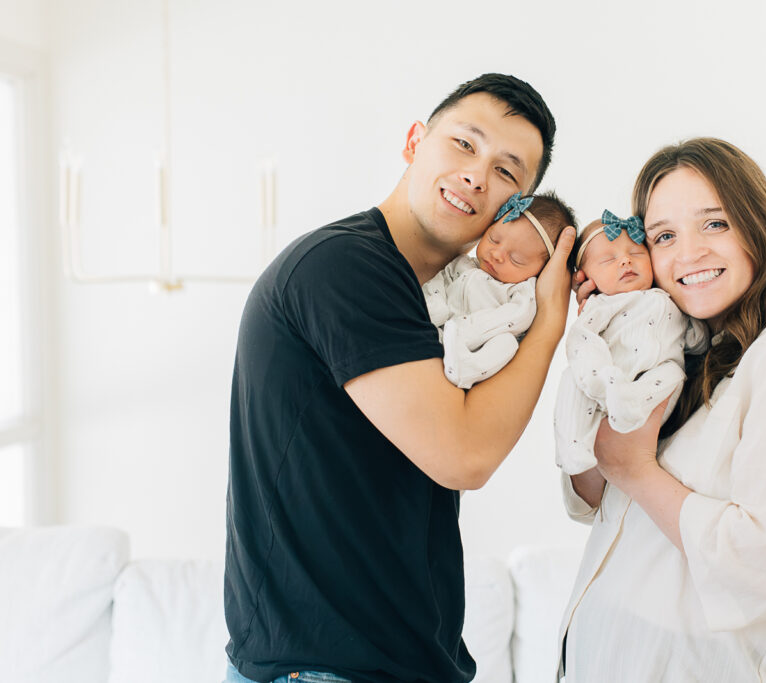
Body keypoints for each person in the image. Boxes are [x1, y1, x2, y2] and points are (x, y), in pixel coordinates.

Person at [223, 73, 575, 683]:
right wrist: (548, 324)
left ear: (513, 208)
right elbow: (463, 455)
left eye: (507, 173)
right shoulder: (346, 267)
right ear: (415, 141)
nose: (476, 175)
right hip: (321, 669)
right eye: (464, 144)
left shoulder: (437, 296)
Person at [559, 138, 766, 682]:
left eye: (715, 224)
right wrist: (614, 339)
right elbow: (597, 497)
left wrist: (637, 471)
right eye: (664, 236)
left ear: (758, 224)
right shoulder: (697, 349)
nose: (687, 254)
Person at [553, 211, 707, 475]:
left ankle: (628, 405)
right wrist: (595, 376)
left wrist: (704, 337)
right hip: (607, 378)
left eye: (636, 253)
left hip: (652, 390)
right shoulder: (602, 304)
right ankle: (572, 447)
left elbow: (694, 340)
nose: (625, 260)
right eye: (608, 260)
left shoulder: (669, 298)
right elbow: (582, 338)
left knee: (673, 374)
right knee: (571, 380)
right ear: (587, 280)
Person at [423, 191, 576, 388]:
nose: (496, 254)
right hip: (436, 330)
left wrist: (468, 329)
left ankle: (465, 369)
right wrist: (436, 306)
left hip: (476, 345)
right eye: (494, 239)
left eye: (516, 259)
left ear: (541, 271)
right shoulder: (464, 264)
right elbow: (439, 280)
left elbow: (518, 317)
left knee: (507, 344)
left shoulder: (520, 290)